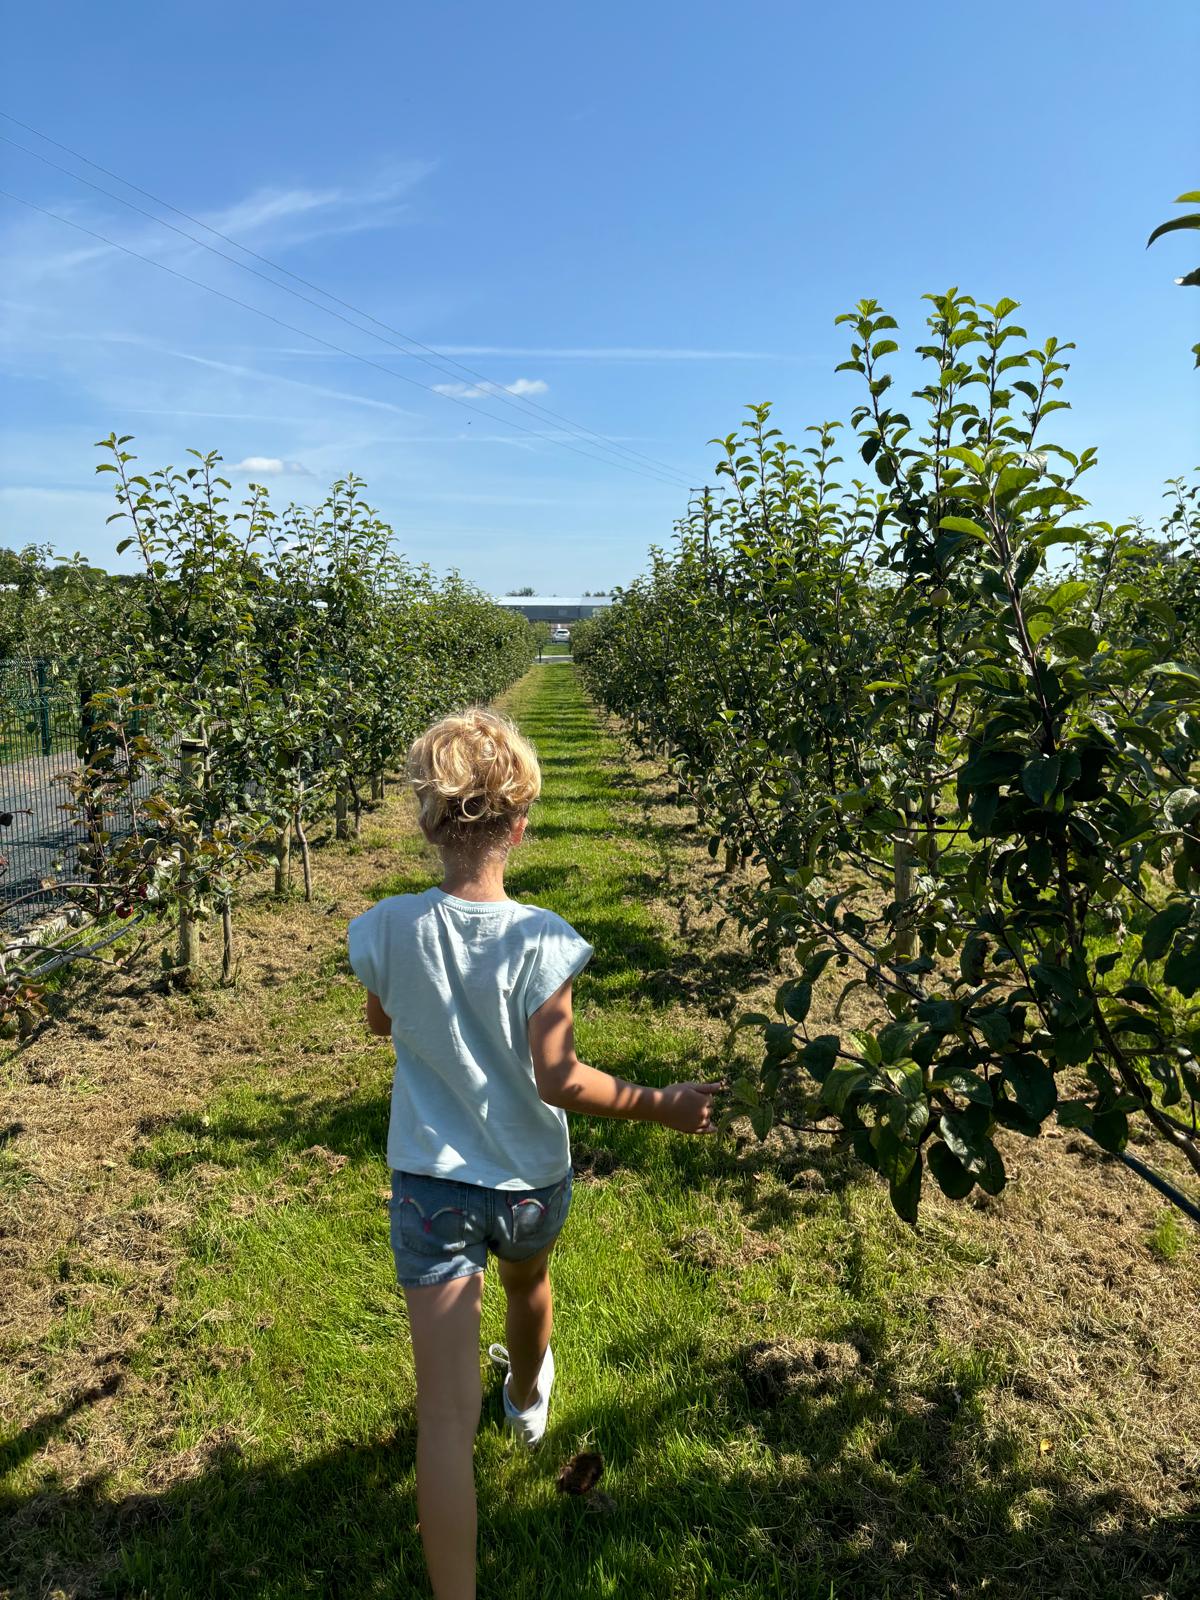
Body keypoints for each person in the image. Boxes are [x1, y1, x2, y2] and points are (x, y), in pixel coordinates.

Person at [347, 707, 721, 1600]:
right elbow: (560, 1079)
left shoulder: (386, 927)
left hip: (430, 1187)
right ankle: (523, 1401)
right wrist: (665, 1105)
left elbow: (380, 1022)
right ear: (519, 826)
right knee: (527, 1286)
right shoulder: (541, 938)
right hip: (526, 1183)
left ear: (427, 822)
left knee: (442, 1420)